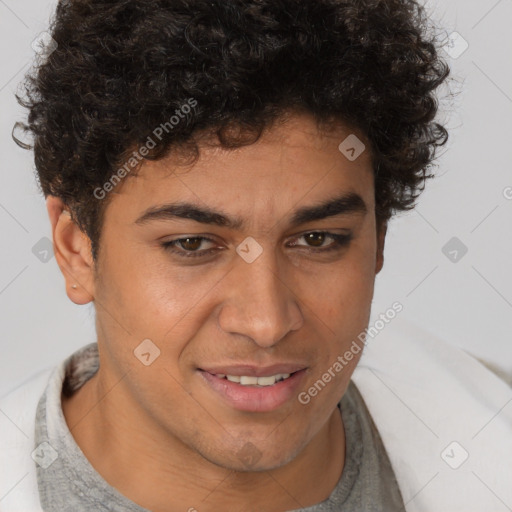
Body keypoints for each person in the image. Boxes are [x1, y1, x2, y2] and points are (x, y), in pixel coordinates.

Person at [1, 0, 511, 511]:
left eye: (318, 239)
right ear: (76, 251)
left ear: (378, 239)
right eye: (192, 244)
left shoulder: (489, 437)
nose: (266, 322)